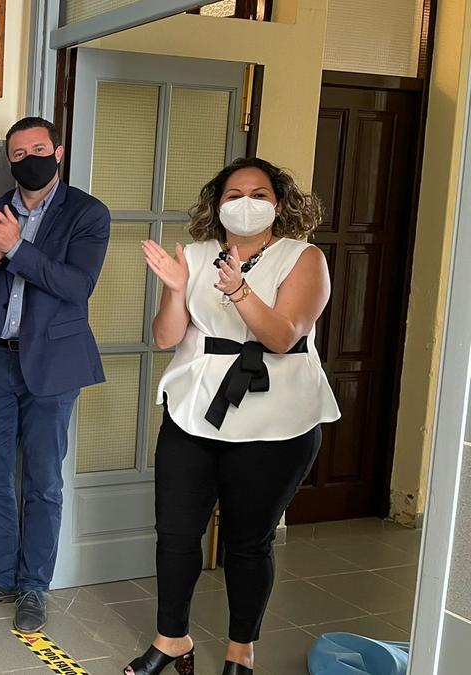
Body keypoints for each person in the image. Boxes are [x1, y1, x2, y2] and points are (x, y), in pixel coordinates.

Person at [127, 157, 340, 675]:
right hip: (194, 411)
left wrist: (238, 290)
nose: (246, 203)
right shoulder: (195, 256)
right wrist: (178, 289)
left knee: (248, 542)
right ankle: (171, 638)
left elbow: (280, 336)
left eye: (259, 194)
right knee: (176, 533)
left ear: (280, 203)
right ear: (217, 204)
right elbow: (164, 338)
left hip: (277, 419)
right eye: (234, 194)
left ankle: (240, 649)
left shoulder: (303, 258)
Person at [0, 116, 110, 633]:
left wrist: (17, 249)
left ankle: (34, 587)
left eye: (37, 149)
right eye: (17, 154)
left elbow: (76, 285)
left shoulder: (87, 213)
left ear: (57, 152)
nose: (27, 160)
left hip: (53, 366)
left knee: (42, 482)